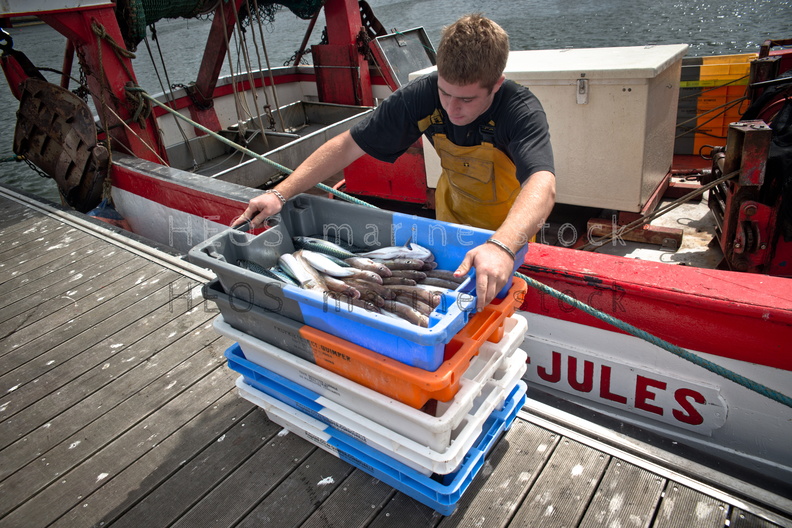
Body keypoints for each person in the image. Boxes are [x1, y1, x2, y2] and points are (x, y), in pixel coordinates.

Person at [234, 13, 556, 311]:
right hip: (451, 220)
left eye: (467, 99)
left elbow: (542, 183)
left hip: (509, 229)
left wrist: (502, 246)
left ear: (496, 84)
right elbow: (349, 144)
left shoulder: (520, 110)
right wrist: (279, 192)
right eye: (445, 93)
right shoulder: (422, 95)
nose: (452, 108)